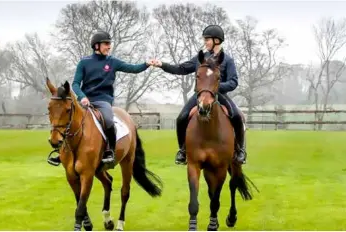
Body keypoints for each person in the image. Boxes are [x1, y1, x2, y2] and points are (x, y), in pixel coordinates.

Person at [47, 30, 154, 168]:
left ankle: (109, 151)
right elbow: (75, 84)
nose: (109, 47)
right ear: (96, 46)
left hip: (103, 101)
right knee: (69, 122)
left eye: (109, 44)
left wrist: (146, 63)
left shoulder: (113, 62)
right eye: (106, 44)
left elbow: (132, 68)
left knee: (109, 120)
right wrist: (82, 97)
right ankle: (61, 153)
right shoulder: (84, 63)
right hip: (85, 101)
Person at [152, 25, 247, 165]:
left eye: (207, 39)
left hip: (220, 95)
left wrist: (215, 87)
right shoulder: (200, 58)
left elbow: (233, 82)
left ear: (217, 40)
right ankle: (183, 151)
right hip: (200, 95)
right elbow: (182, 69)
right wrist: (162, 65)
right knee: (181, 118)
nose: (205, 42)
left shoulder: (227, 60)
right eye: (205, 39)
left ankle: (240, 151)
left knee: (237, 116)